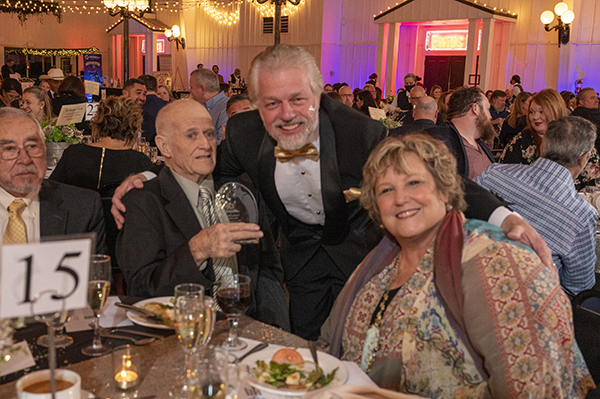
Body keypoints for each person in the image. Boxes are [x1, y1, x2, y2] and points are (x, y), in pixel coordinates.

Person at [111, 45, 551, 340]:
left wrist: (505, 218)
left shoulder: (358, 131)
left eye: (298, 100)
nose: (286, 115)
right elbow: (201, 165)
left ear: (319, 94)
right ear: (255, 101)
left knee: (362, 339)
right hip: (299, 254)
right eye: (271, 103)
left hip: (357, 249)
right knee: (302, 344)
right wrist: (147, 178)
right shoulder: (245, 134)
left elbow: (434, 177)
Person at [321, 134, 594, 396]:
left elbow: (534, 391)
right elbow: (327, 345)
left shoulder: (497, 263)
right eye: (386, 190)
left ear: (445, 189)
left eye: (414, 183)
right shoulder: (378, 263)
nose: (400, 198)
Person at [115, 100, 289, 329]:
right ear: (164, 147)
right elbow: (142, 289)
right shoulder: (143, 202)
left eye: (209, 134)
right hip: (184, 335)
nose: (206, 144)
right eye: (191, 136)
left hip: (249, 331)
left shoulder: (243, 192)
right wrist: (197, 251)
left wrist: (274, 333)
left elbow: (267, 272)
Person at [477, 116, 598, 298]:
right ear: (584, 159)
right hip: (531, 304)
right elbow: (579, 287)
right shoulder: (581, 214)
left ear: (542, 146)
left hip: (474, 281)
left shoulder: (493, 174)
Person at [0, 108, 106, 254]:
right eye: (9, 148)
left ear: (45, 149)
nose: (25, 159)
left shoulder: (83, 209)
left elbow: (96, 274)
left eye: (32, 146)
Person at [501, 88, 600, 189]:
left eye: (541, 111)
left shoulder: (578, 139)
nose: (535, 117)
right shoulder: (520, 142)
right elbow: (505, 178)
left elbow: (595, 181)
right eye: (531, 112)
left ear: (556, 111)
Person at [426, 86, 495, 179]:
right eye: (487, 108)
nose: (490, 116)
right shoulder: (439, 141)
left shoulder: (479, 143)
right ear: (476, 109)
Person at [189, 69, 228, 145]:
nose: (190, 91)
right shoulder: (201, 105)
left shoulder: (225, 107)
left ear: (203, 89)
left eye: (191, 87)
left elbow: (222, 144)